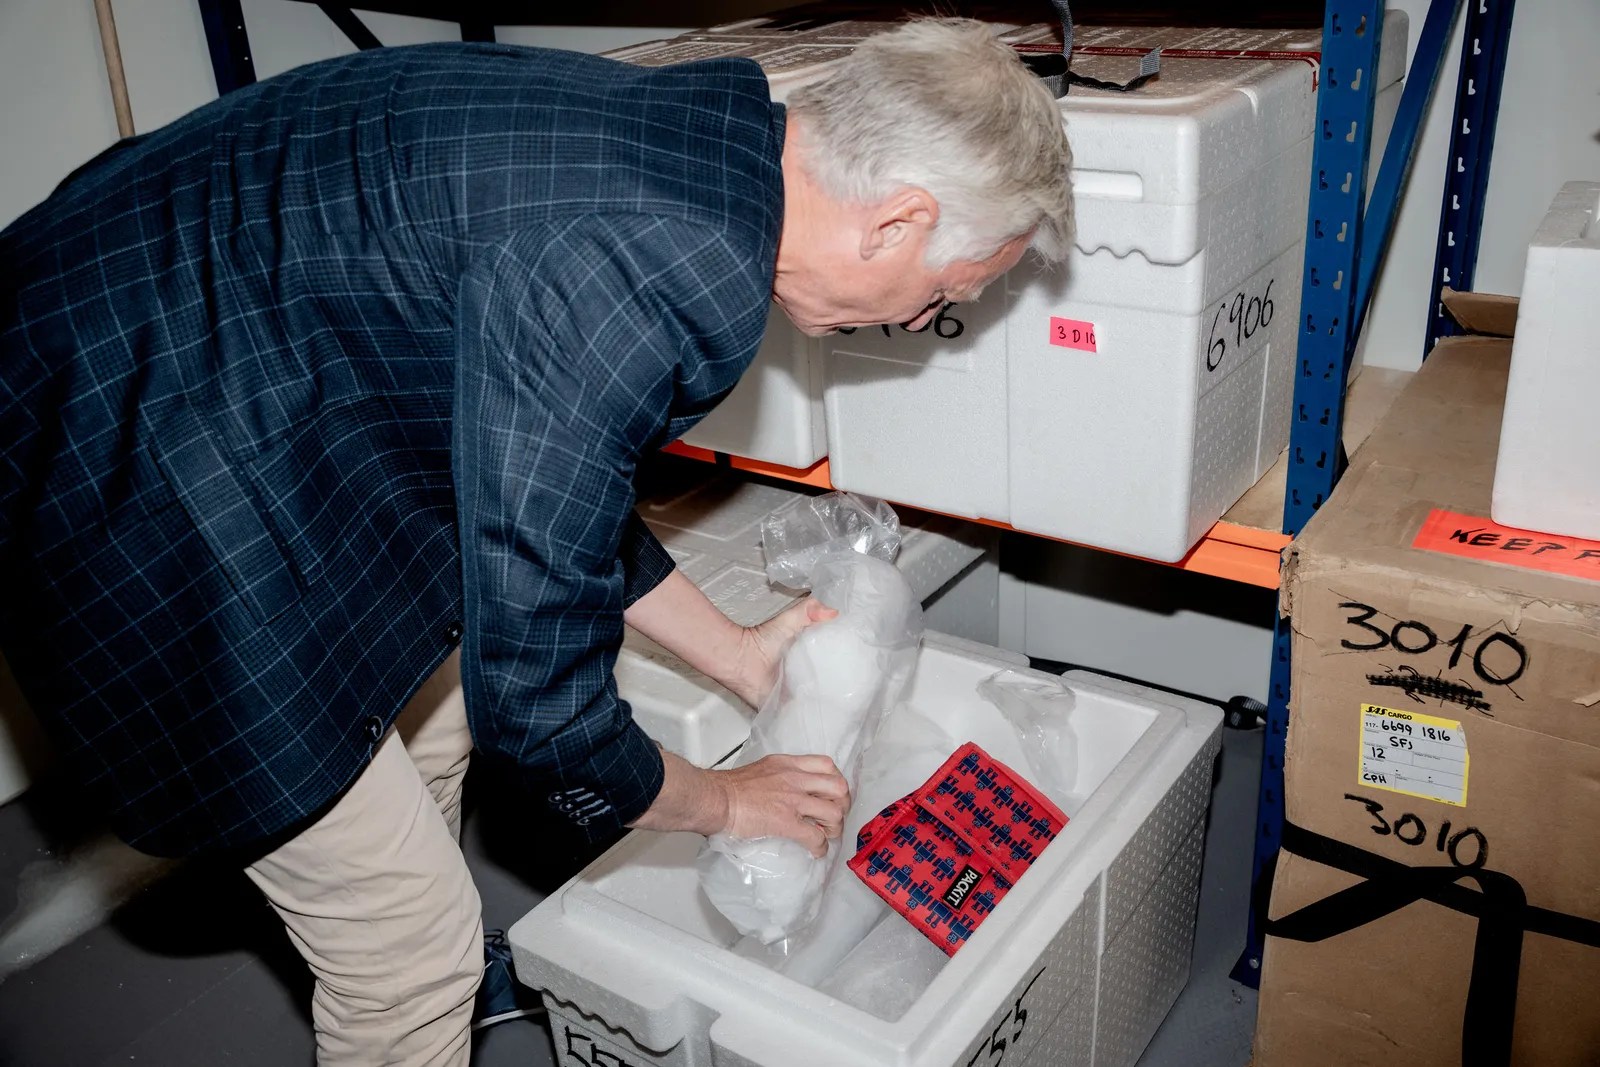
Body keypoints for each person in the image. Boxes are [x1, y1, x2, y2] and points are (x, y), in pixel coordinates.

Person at [0, 16, 1073, 1065]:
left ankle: (425, 956)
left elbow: (553, 484)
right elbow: (542, 709)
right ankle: (416, 978)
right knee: (406, 946)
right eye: (941, 293)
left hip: (223, 359)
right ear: (896, 222)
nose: (913, 320)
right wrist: (725, 801)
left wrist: (739, 653)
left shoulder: (715, 145)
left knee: (429, 713)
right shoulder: (666, 263)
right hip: (113, 433)